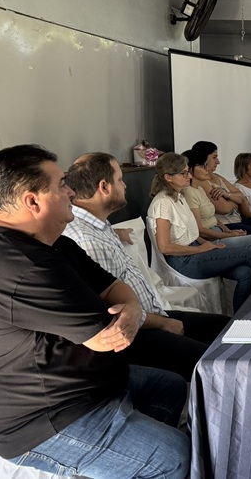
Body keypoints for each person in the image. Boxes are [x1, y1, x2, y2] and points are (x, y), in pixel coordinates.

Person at [0, 144, 189, 478]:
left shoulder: (51, 242)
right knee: (175, 456)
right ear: (32, 201)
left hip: (85, 386)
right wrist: (129, 313)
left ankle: (128, 464)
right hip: (48, 420)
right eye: (61, 183)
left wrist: (133, 308)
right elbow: (107, 337)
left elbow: (116, 288)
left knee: (171, 386)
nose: (70, 190)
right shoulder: (23, 267)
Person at [64, 152, 232, 378]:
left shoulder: (98, 226)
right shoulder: (88, 240)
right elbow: (114, 314)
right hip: (139, 334)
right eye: (121, 180)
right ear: (104, 187)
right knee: (216, 366)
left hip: (153, 315)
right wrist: (164, 324)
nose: (125, 186)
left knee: (229, 328)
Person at [148, 152, 251, 310]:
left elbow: (191, 233)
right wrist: (200, 248)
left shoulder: (179, 196)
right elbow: (164, 247)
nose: (189, 176)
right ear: (168, 177)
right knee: (249, 254)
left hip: (195, 251)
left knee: (245, 273)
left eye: (188, 172)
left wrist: (209, 245)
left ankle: (240, 317)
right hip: (184, 261)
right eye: (183, 173)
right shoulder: (163, 203)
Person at [181, 149, 251, 264]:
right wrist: (227, 234)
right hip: (213, 238)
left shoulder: (199, 189)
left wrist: (229, 231)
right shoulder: (189, 192)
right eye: (204, 166)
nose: (208, 169)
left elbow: (215, 218)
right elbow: (203, 228)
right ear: (191, 170)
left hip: (221, 230)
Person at [189, 140, 251, 235]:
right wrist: (237, 201)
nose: (218, 162)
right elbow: (225, 208)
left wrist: (227, 195)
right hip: (229, 224)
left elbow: (242, 196)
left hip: (236, 222)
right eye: (214, 157)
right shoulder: (201, 183)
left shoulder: (217, 176)